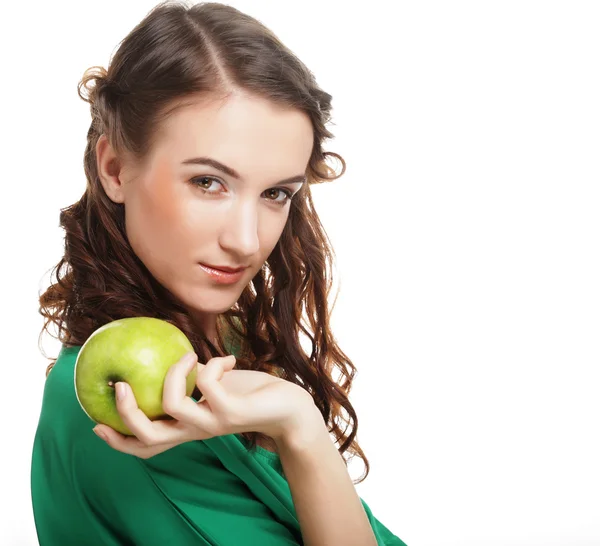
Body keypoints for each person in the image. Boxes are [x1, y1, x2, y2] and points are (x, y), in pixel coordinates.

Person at [31, 1, 407, 544]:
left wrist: (296, 422)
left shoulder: (220, 348)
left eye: (276, 193)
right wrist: (301, 428)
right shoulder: (129, 416)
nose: (246, 240)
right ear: (114, 168)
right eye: (208, 182)